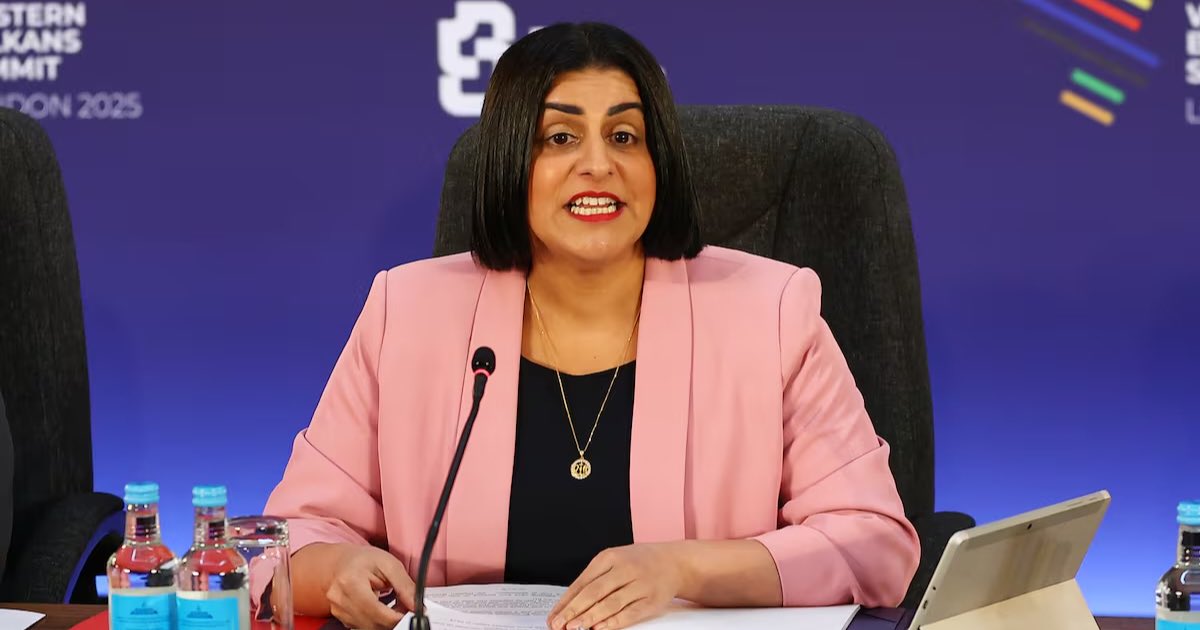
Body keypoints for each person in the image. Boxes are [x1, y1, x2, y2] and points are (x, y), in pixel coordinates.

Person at [263, 22, 919, 630]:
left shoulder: (771, 311)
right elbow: (290, 536)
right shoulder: (406, 312)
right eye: (560, 137)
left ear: (657, 164)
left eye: (626, 137)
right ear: (510, 164)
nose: (599, 165)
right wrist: (337, 572)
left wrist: (684, 568)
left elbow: (874, 541)